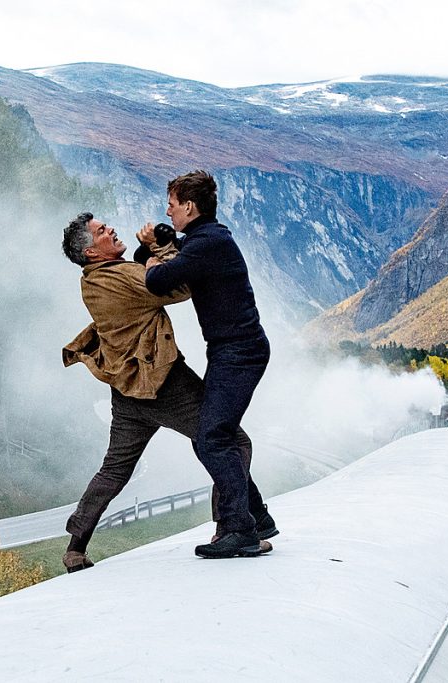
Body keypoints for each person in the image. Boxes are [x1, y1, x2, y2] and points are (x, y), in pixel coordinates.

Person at [59, 212, 277, 573]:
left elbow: (150, 279)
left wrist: (149, 252)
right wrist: (167, 248)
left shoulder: (92, 282)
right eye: (101, 231)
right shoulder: (124, 277)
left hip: (127, 392)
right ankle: (232, 528)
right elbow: (181, 285)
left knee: (113, 470)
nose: (110, 229)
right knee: (228, 441)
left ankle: (75, 547)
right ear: (91, 251)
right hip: (165, 386)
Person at [144, 171, 271, 559]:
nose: (167, 208)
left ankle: (240, 530)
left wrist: (151, 259)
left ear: (189, 206)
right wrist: (160, 244)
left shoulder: (207, 244)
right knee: (216, 436)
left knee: (211, 438)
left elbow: (159, 281)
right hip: (233, 351)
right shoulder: (207, 239)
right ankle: (257, 519)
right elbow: (179, 254)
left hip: (238, 353)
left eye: (172, 202)